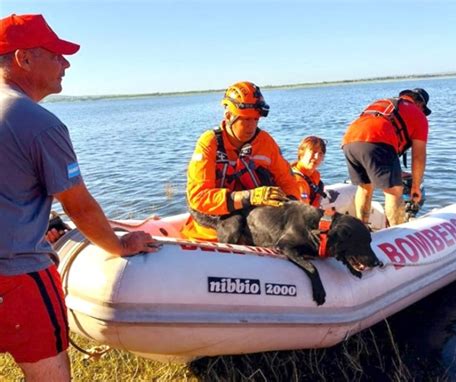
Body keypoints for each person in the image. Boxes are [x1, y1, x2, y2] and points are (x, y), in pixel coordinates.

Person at [0, 14, 155, 381]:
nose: (65, 64)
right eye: (55, 54)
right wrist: (119, 246)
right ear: (23, 58)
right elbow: (78, 205)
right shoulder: (38, 123)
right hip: (19, 277)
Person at [182, 81, 301, 240]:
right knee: (234, 227)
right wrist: (250, 196)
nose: (251, 127)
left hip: (252, 215)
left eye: (255, 120)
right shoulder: (209, 143)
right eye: (245, 120)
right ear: (229, 115)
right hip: (215, 220)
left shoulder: (265, 142)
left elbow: (288, 181)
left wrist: (290, 206)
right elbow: (198, 197)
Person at [341, 88, 430, 227]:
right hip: (378, 139)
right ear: (420, 104)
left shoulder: (385, 104)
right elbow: (418, 156)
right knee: (394, 191)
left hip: (349, 140)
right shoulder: (418, 115)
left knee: (365, 187)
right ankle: (398, 235)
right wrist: (416, 186)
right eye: (424, 110)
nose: (424, 114)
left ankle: (362, 230)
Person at [292, 136, 337, 207]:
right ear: (301, 154)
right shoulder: (297, 180)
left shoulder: (315, 175)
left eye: (320, 153)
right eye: (313, 152)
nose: (316, 157)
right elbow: (304, 212)